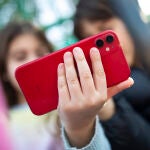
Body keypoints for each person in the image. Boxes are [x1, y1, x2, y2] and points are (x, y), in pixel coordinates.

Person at [0, 22, 133, 150]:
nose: (32, 60)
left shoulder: (74, 104)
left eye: (40, 53)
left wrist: (81, 128)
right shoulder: (5, 123)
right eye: (20, 57)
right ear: (4, 70)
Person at [74, 0, 150, 150]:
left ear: (129, 21)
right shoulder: (108, 94)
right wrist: (110, 112)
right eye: (90, 39)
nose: (101, 49)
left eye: (106, 30)